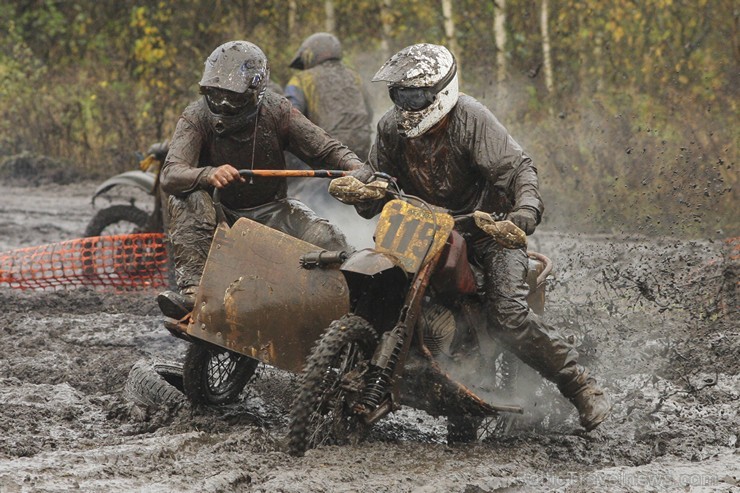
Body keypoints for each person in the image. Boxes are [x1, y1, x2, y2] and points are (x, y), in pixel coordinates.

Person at [352, 43, 611, 436]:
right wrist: (363, 191)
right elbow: (378, 182)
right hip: (423, 227)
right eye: (400, 94)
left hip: (489, 230)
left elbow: (519, 169)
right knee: (377, 281)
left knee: (506, 317)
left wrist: (523, 216)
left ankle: (580, 386)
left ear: (441, 92)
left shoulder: (472, 120)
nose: (407, 103)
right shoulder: (391, 128)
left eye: (416, 95)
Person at [156, 40, 364, 318]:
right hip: (219, 213)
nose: (223, 103)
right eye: (216, 95)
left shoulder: (278, 110)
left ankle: (356, 306)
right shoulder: (196, 115)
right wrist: (207, 174)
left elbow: (325, 149)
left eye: (232, 97)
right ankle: (194, 293)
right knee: (186, 197)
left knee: (328, 237)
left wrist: (356, 168)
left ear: (255, 92)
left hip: (273, 209)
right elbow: (170, 173)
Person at [284, 32, 373, 159]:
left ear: (310, 55)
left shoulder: (301, 79)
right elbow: (369, 113)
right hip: (361, 150)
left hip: (325, 151)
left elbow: (289, 118)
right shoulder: (355, 77)